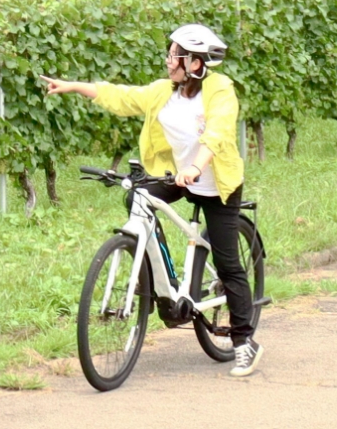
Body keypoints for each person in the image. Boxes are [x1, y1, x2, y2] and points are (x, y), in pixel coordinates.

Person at [44, 23, 261, 376]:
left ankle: (243, 343)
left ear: (194, 63)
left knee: (229, 265)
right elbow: (122, 96)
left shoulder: (220, 90)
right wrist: (72, 87)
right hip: (176, 176)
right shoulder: (165, 91)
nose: (168, 59)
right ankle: (157, 281)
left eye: (174, 55)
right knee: (138, 197)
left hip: (214, 182)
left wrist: (195, 166)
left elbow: (219, 133)